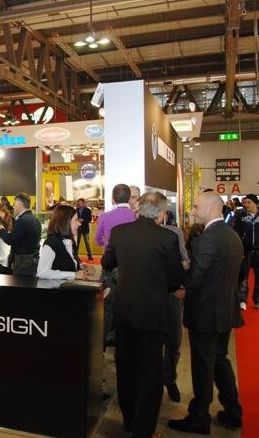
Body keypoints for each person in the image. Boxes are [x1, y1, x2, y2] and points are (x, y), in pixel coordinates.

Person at [102, 191, 182, 438]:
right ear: (161, 213)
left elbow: (107, 263)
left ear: (139, 208)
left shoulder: (119, 233)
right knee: (150, 374)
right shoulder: (168, 238)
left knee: (126, 369)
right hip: (153, 315)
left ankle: (129, 421)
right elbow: (175, 278)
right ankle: (144, 430)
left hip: (125, 312)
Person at [168, 191, 244, 434]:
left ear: (210, 208)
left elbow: (194, 279)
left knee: (203, 365)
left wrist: (181, 275)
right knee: (220, 359)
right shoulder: (231, 235)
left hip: (206, 313)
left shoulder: (208, 239)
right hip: (224, 310)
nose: (193, 211)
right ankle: (233, 411)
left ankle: (199, 417)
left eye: (196, 206)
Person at [94, 184, 136, 347]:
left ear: (112, 199)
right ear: (129, 198)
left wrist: (106, 242)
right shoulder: (135, 217)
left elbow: (97, 240)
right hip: (130, 266)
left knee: (106, 307)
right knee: (128, 305)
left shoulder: (105, 217)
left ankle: (102, 345)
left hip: (110, 265)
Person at [161, 213, 191, 403]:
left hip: (171, 293)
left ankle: (169, 379)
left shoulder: (174, 232)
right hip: (148, 295)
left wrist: (182, 285)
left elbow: (184, 261)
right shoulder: (134, 231)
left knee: (173, 341)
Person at [0, 192, 41, 276]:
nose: (13, 206)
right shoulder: (35, 219)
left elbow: (9, 239)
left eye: (15, 204)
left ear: (19, 204)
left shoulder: (21, 221)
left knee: (20, 283)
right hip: (34, 261)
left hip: (23, 263)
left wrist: (1, 230)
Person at [36, 205, 82, 280]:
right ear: (65, 222)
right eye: (76, 220)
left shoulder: (68, 241)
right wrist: (73, 274)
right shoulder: (52, 242)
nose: (79, 224)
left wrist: (82, 266)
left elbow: (65, 264)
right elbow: (42, 272)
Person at [232, 193, 259, 310]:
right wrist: (239, 250)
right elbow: (236, 233)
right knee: (243, 276)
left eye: (249, 202)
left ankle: (258, 300)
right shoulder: (240, 216)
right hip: (245, 250)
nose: (246, 204)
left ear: (256, 204)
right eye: (245, 202)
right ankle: (242, 300)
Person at [0, 204, 13, 274]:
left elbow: (4, 255)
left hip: (3, 265)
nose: (0, 215)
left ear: (5, 212)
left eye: (2, 213)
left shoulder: (10, 223)